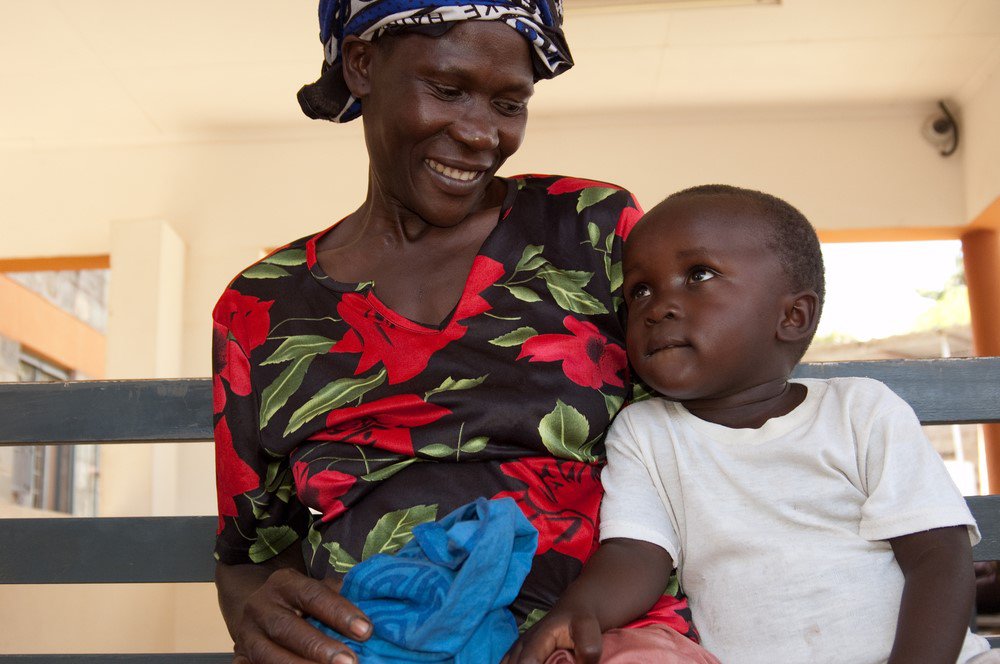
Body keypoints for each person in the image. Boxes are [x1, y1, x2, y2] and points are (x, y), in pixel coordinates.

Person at [212, 3, 714, 663]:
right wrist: (259, 614)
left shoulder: (588, 228)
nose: (482, 135)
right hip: (386, 640)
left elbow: (702, 439)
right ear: (362, 65)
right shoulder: (262, 306)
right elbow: (247, 556)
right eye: (447, 90)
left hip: (599, 639)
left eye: (509, 104)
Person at [505, 185, 998, 664]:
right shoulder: (646, 433)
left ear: (793, 316)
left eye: (698, 275)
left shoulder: (860, 411)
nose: (659, 306)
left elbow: (938, 557)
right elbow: (637, 552)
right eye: (640, 290)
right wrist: (580, 609)